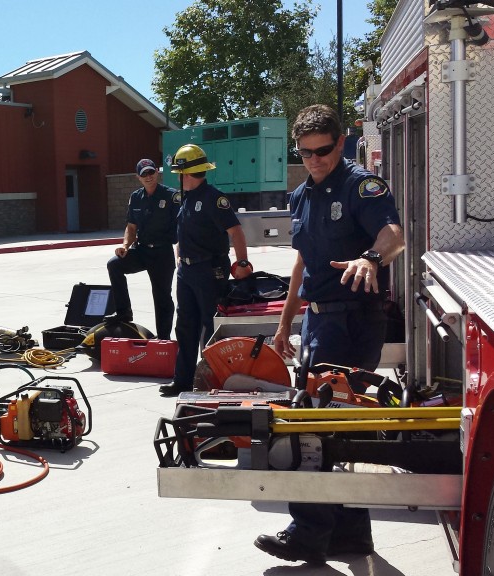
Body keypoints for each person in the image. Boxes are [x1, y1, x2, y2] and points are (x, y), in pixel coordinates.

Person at [254, 104, 404, 565]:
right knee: (339, 426)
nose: (316, 159)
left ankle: (309, 530)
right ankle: (351, 535)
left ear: (340, 143)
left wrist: (371, 259)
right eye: (306, 152)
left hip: (354, 319)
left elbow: (394, 234)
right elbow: (302, 261)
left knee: (315, 425)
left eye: (324, 150)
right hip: (319, 320)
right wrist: (285, 322)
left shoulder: (361, 185)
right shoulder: (301, 195)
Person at [160, 144, 252, 396]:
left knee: (210, 327)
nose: (177, 177)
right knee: (185, 325)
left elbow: (236, 232)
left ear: (185, 173)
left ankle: (213, 380)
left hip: (209, 270)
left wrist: (242, 263)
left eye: (178, 172)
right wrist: (181, 260)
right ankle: (183, 381)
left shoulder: (214, 198)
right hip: (187, 271)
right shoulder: (186, 199)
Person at [105, 159, 179, 340]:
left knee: (162, 297)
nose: (148, 177)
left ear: (157, 173)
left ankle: (163, 338)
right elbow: (131, 227)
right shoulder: (136, 197)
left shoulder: (171, 196)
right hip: (142, 250)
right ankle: (124, 312)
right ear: (138, 177)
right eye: (144, 174)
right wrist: (125, 246)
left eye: (151, 172)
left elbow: (183, 226)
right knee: (114, 265)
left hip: (162, 253)